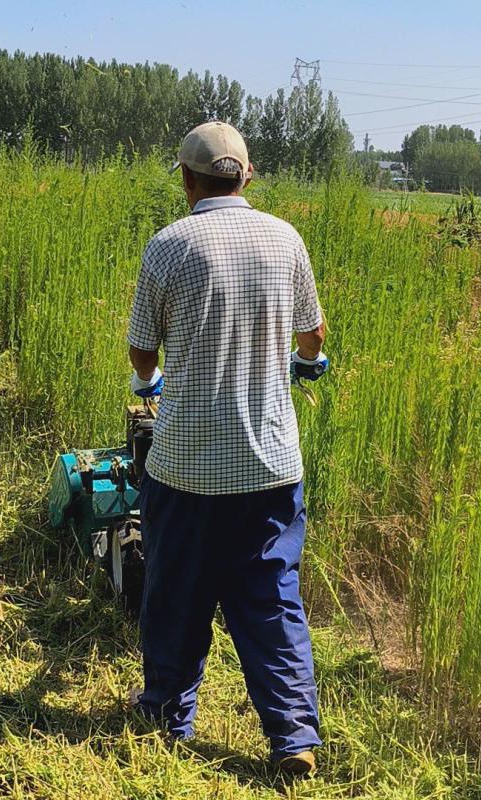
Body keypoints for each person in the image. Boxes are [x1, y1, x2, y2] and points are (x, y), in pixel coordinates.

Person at [127, 121, 326, 775]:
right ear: (247, 177)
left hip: (186, 464)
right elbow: (312, 331)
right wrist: (308, 361)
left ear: (186, 179)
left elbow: (143, 348)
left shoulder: (168, 246)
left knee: (176, 591)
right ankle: (294, 736)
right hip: (270, 463)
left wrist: (148, 381)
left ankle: (166, 714)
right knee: (270, 596)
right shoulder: (285, 238)